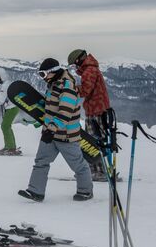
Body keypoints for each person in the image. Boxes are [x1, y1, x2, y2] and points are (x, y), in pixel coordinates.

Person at [18, 58, 93, 202]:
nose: (43, 78)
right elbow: (50, 109)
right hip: (50, 133)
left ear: (53, 71)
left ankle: (86, 191)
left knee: (78, 164)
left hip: (66, 136)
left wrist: (51, 129)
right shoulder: (53, 84)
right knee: (41, 161)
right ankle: (36, 191)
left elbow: (65, 112)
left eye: (43, 74)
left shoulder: (67, 86)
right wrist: (46, 127)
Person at [68, 49, 111, 181]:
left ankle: (99, 171)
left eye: (75, 65)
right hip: (97, 109)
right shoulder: (90, 69)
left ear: (78, 60)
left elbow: (85, 90)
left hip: (96, 111)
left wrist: (69, 88)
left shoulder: (89, 71)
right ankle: (95, 169)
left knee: (94, 141)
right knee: (93, 141)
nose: (75, 69)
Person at [0, 68, 20, 155]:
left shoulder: (4, 86)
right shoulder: (6, 83)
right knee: (7, 126)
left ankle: (10, 148)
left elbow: (1, 100)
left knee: (5, 126)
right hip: (13, 107)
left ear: (0, 76)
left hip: (12, 108)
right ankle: (10, 147)